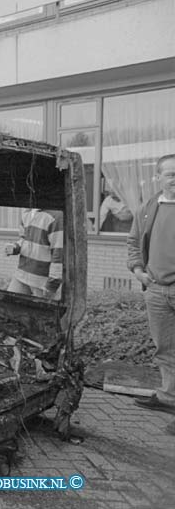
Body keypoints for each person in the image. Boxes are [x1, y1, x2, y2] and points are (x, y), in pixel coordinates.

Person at [127, 154, 175, 435]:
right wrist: (137, 270)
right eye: (169, 174)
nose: (174, 179)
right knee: (166, 349)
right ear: (158, 177)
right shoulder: (148, 208)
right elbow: (133, 242)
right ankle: (168, 396)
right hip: (155, 289)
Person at [5, 208, 63, 298]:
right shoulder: (26, 213)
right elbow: (24, 239)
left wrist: (52, 285)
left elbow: (58, 252)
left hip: (42, 283)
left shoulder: (56, 216)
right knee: (8, 305)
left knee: (42, 312)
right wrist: (15, 247)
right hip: (21, 276)